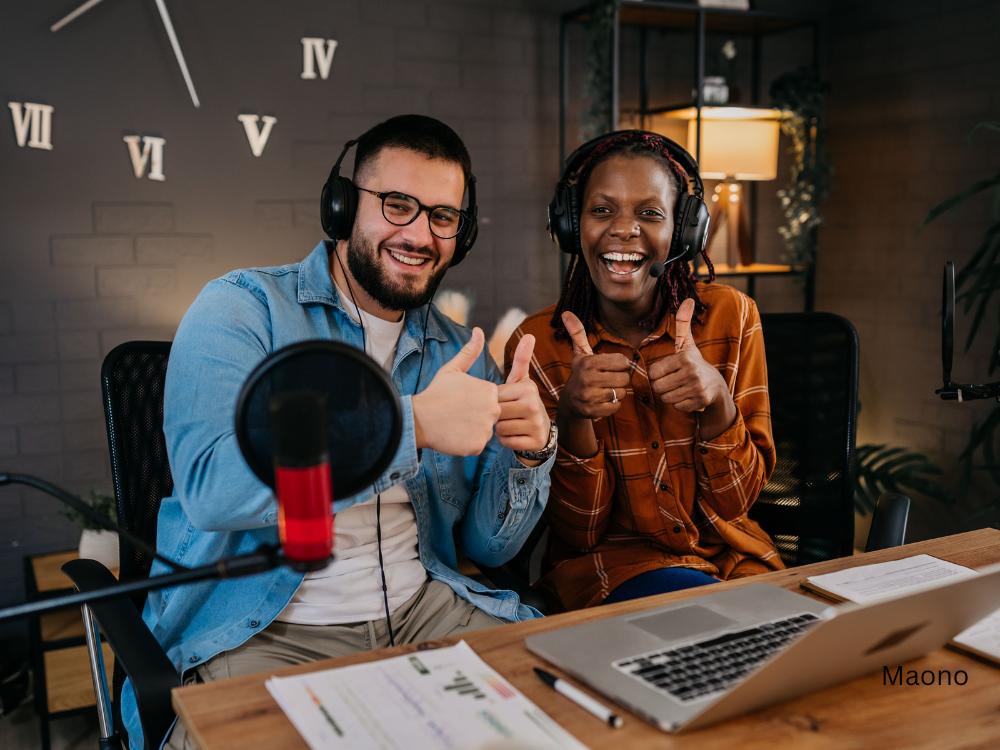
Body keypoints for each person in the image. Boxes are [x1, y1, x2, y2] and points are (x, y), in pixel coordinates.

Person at [122, 115, 557, 750]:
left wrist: (530, 453)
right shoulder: (241, 311)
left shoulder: (454, 351)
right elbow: (212, 490)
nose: (419, 234)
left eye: (443, 217)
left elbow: (490, 549)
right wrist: (411, 427)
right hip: (266, 631)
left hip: (423, 608)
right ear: (343, 206)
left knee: (568, 710)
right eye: (397, 205)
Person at [505, 131, 784, 614]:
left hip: (733, 562)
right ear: (571, 226)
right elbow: (581, 530)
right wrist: (573, 417)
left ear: (683, 232)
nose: (624, 230)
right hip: (613, 573)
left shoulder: (732, 317)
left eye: (649, 213)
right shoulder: (538, 346)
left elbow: (735, 501)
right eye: (601, 210)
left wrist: (717, 401)